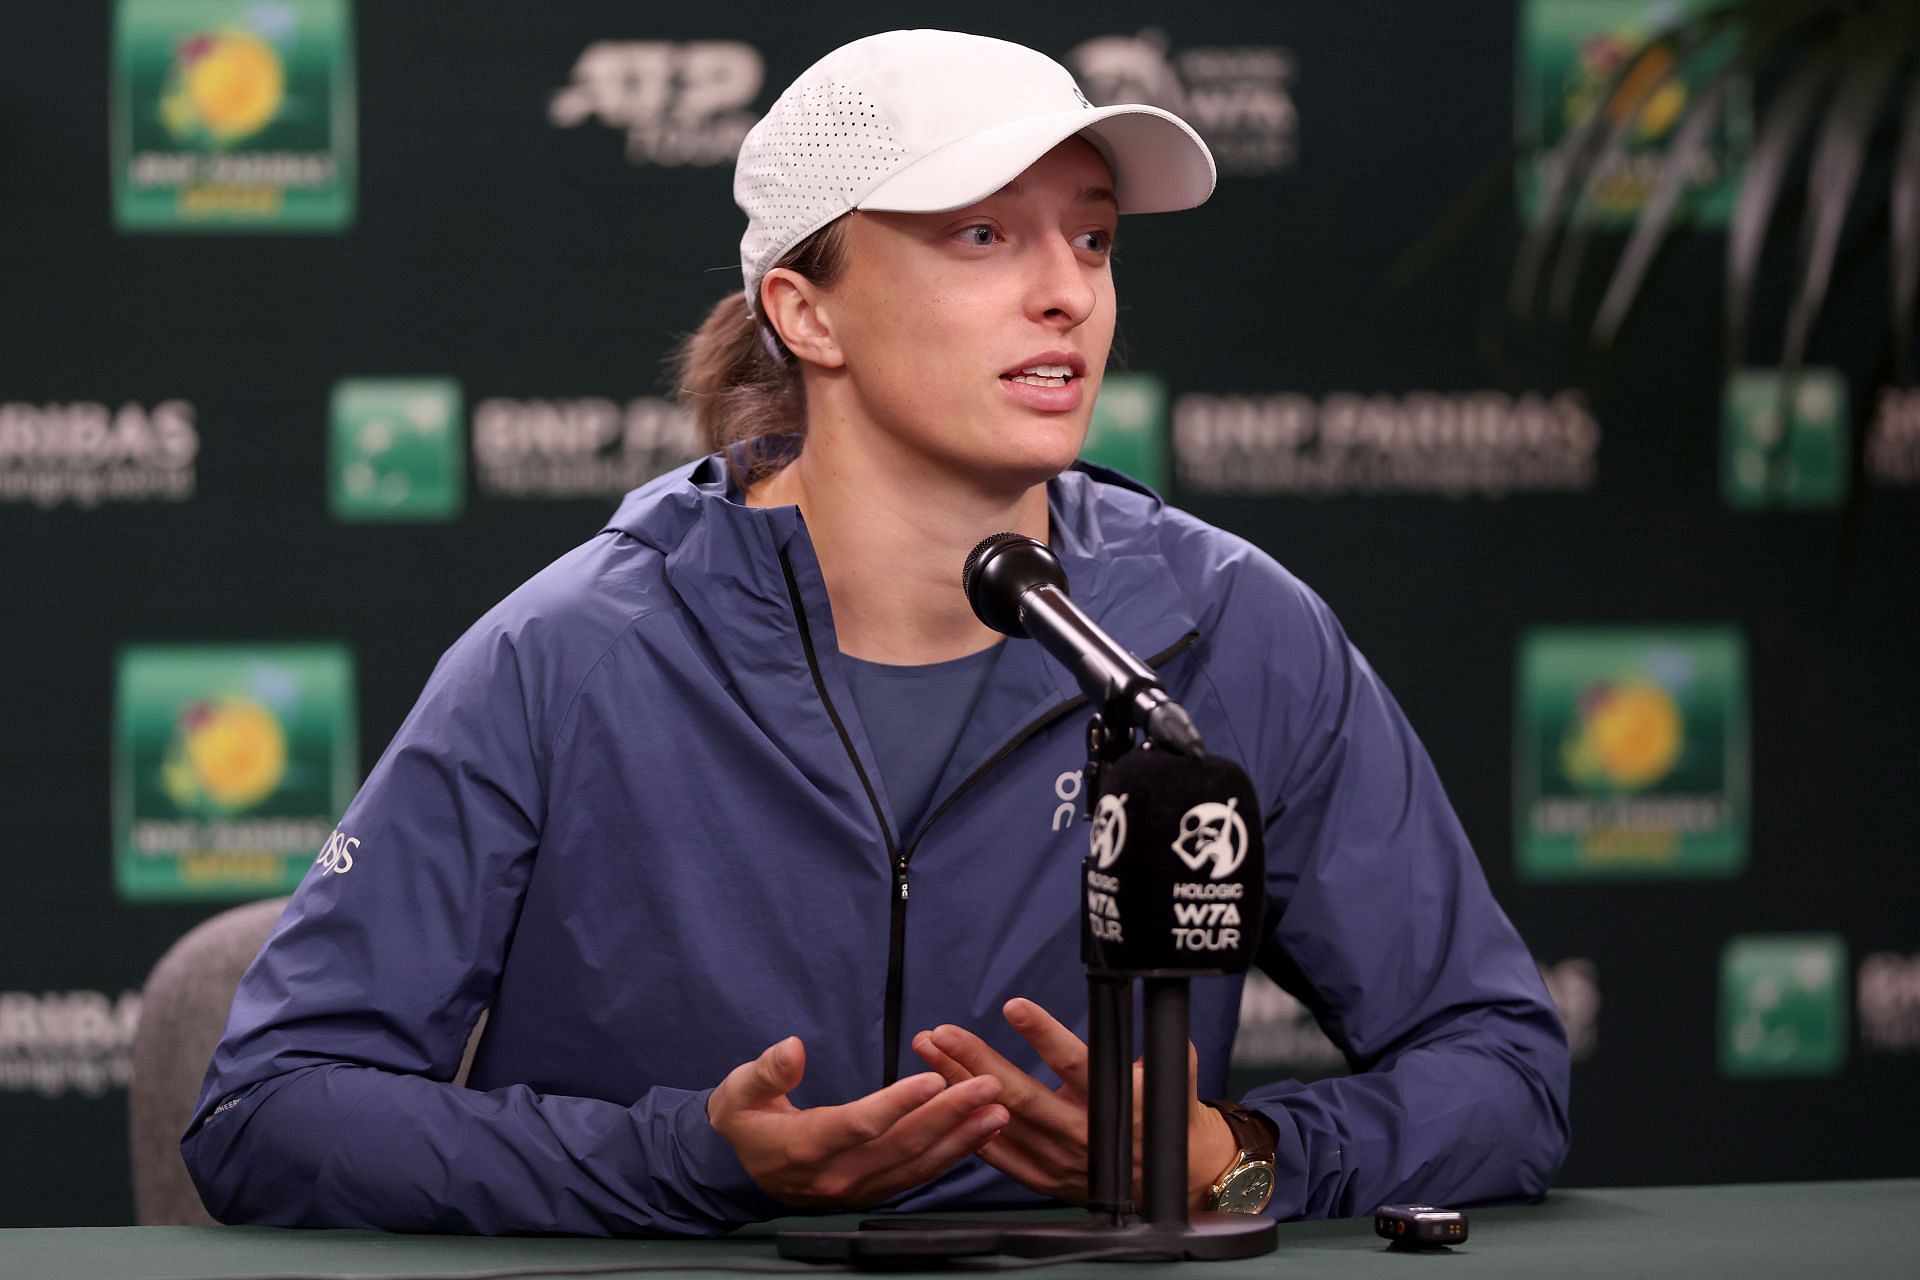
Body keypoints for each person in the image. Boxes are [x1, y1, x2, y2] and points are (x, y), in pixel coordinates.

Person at [183, 30, 1570, 1237]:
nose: (1068, 293)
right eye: (982, 234)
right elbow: (272, 1111)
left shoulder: (1228, 629)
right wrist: (691, 1163)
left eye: (1091, 236)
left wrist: (1237, 1159)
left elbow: (1499, 1065)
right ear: (806, 308)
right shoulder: (571, 653)